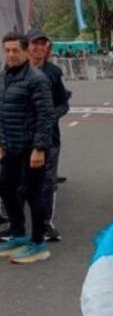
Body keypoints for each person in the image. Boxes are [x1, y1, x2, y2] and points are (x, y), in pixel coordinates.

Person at [0, 32, 55, 264]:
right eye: (7, 50)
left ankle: (38, 243)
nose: (11, 54)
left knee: (33, 194)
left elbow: (46, 115)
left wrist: (40, 148)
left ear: (25, 51)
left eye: (15, 50)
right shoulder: (4, 77)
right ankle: (19, 234)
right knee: (6, 190)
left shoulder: (36, 78)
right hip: (10, 146)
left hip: (31, 148)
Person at [27, 28, 71, 242]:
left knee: (46, 180)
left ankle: (46, 224)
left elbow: (63, 103)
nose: (38, 48)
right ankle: (14, 225)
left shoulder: (53, 72)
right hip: (20, 135)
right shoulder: (13, 70)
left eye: (42, 44)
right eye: (34, 44)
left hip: (48, 137)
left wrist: (50, 116)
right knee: (16, 181)